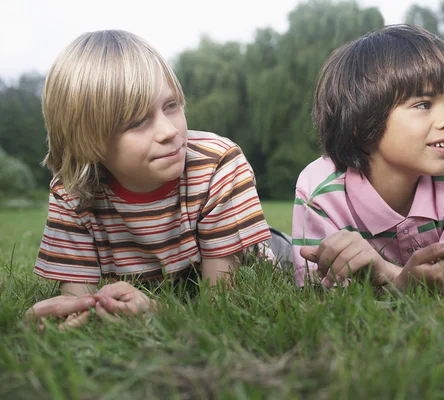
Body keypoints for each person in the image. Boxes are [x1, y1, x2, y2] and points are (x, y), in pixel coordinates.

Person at [25, 30, 286, 330]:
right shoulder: (72, 193)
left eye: (171, 105)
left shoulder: (218, 165)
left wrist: (160, 311)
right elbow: (79, 298)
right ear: (87, 138)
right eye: (137, 121)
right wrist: (71, 315)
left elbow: (221, 303)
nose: (169, 131)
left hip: (261, 253)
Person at [292, 24, 444, 293]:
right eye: (423, 104)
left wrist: (388, 274)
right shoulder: (320, 189)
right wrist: (405, 283)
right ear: (362, 123)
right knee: (276, 249)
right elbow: (314, 292)